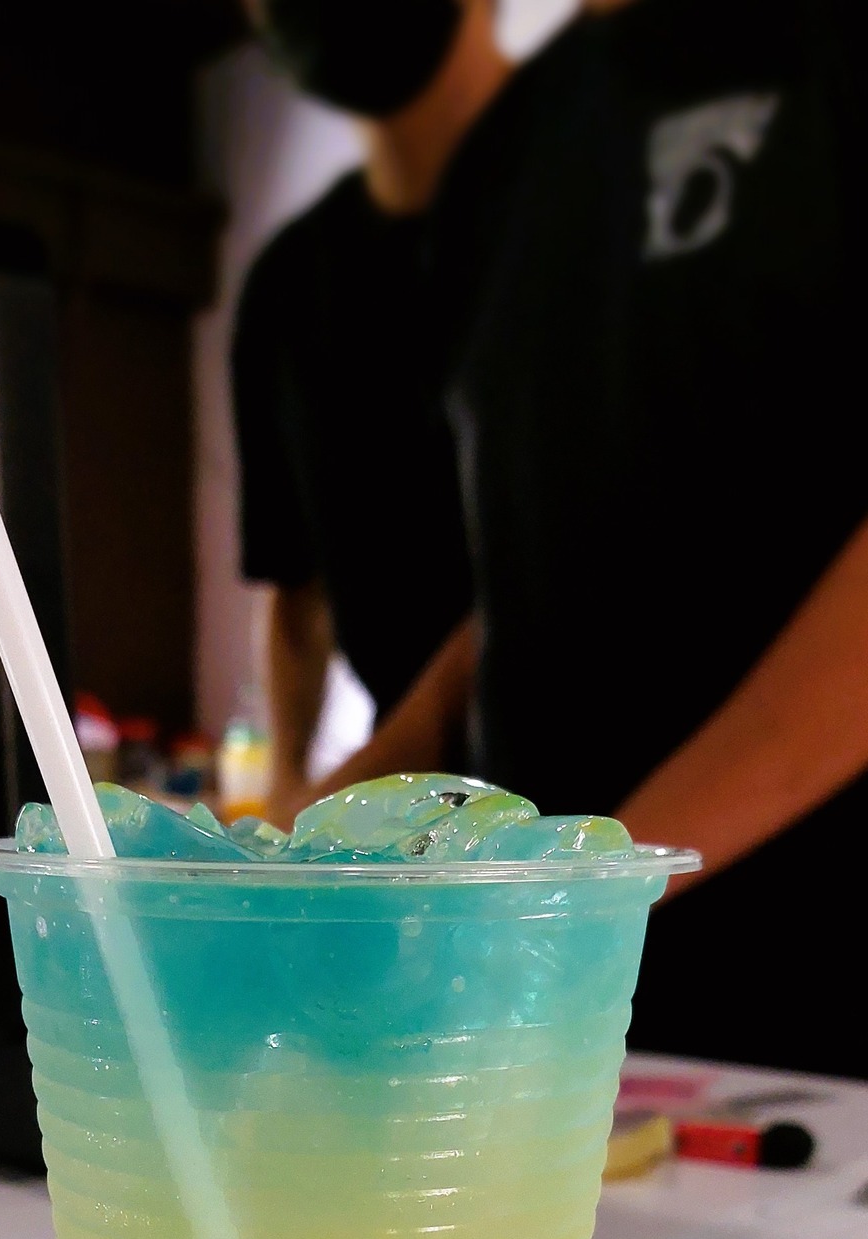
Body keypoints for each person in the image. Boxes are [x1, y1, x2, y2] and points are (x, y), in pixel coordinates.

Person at [294, 0, 868, 1077]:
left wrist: (587, 891)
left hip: (809, 1027)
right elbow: (539, 557)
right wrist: (335, 810)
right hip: (549, 1019)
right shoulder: (513, 146)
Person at [233, 0, 510, 828]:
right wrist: (286, 783)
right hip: (418, 825)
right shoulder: (288, 287)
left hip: (607, 815)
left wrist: (343, 797)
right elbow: (297, 591)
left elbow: (572, 570)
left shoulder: (585, 207)